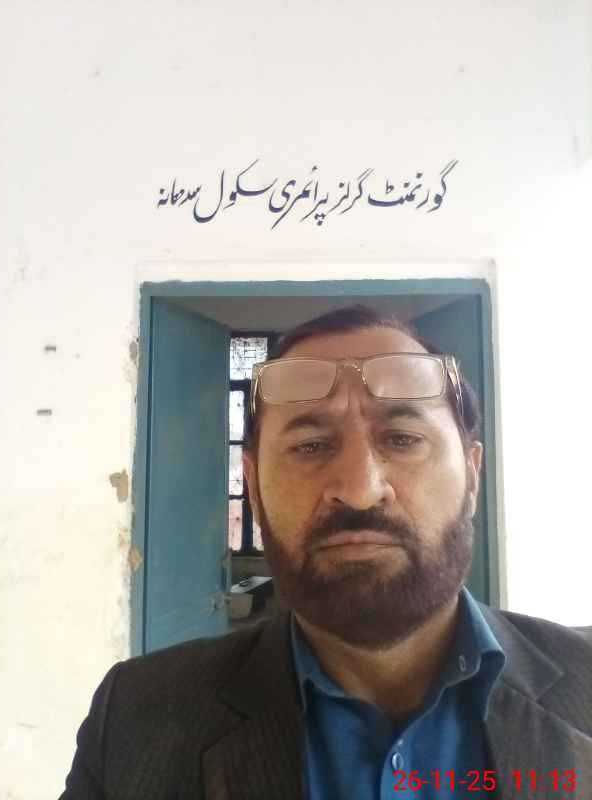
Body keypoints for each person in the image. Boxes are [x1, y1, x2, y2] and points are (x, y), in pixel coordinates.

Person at [60, 305, 592, 799]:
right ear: (254, 487)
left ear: (472, 475)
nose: (360, 490)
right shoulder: (137, 719)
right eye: (310, 446)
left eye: (402, 438)